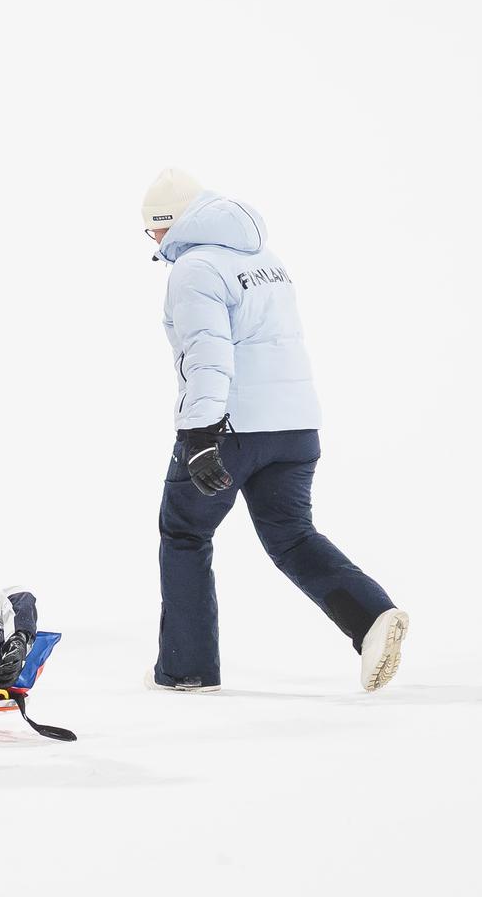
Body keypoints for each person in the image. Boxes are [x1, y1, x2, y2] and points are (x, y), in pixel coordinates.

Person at [143, 168, 408, 693]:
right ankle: (371, 617)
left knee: (185, 533)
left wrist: (200, 434)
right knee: (291, 535)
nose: (151, 242)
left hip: (231, 427)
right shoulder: (266, 260)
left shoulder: (195, 269)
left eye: (152, 230)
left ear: (170, 224)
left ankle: (187, 667)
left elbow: (209, 356)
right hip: (295, 425)